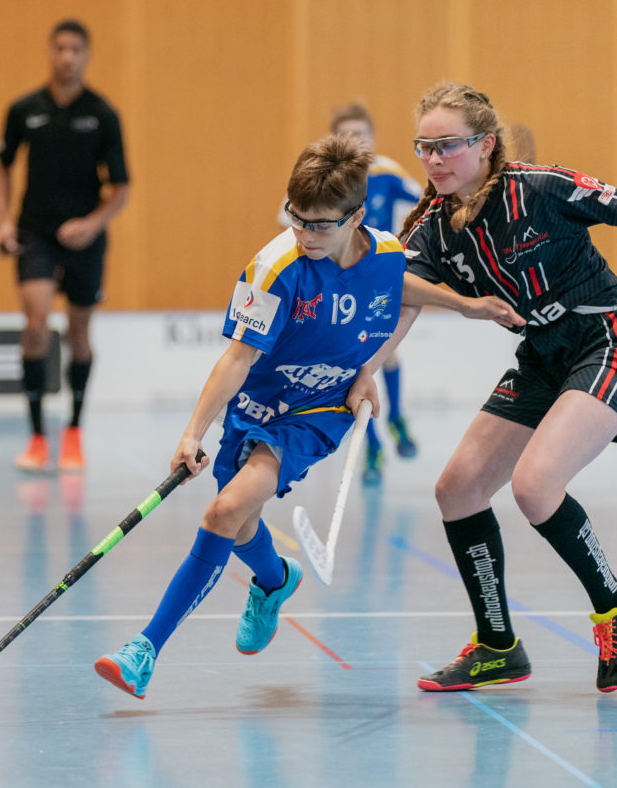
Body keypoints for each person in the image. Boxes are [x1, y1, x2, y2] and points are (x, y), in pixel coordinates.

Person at [349, 82, 617, 695]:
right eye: (424, 148)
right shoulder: (432, 230)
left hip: (610, 340)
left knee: (535, 484)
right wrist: (368, 368)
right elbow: (405, 305)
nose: (433, 160)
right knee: (458, 488)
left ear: (486, 144)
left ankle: (615, 603)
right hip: (545, 355)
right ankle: (497, 646)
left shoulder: (540, 188)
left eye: (447, 146)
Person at [93, 134, 414, 699]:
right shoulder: (273, 266)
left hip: (319, 409)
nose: (305, 234)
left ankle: (143, 650)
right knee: (241, 524)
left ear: (356, 217)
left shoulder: (386, 252)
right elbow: (237, 357)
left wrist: (465, 309)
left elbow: (407, 291)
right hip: (256, 405)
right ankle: (273, 580)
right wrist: (193, 432)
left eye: (320, 225)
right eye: (297, 219)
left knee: (224, 511)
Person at [0, 18, 129, 472]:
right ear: (50, 53)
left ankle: (73, 430)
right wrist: (2, 223)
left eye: (76, 49)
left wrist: (92, 224)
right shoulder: (23, 109)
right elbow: (2, 167)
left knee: (78, 334)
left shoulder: (103, 114)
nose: (67, 56)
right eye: (60, 48)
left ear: (86, 56)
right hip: (35, 235)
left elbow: (122, 189)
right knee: (35, 324)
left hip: (85, 241)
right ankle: (35, 436)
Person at [325, 102, 424, 484]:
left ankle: (390, 428)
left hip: (376, 277)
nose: (356, 141)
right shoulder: (326, 177)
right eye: (348, 134)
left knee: (382, 354)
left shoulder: (387, 174)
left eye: (362, 134)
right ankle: (376, 444)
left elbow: (422, 208)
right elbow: (289, 218)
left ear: (373, 138)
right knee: (357, 364)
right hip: (337, 284)